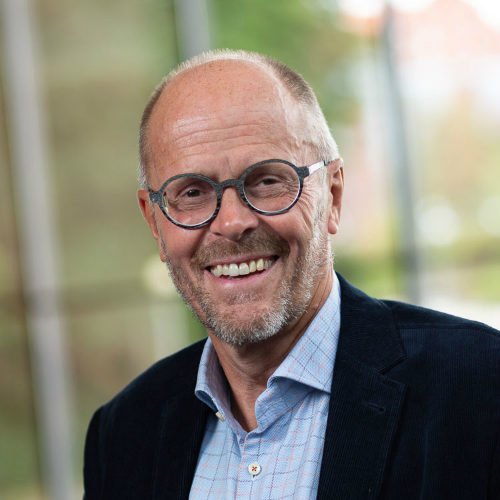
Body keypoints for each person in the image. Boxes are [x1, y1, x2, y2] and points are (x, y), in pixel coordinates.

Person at [83, 50, 500, 499]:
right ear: (154, 222)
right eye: (192, 192)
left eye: (267, 181)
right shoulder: (123, 435)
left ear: (333, 196)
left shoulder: (481, 389)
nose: (232, 222)